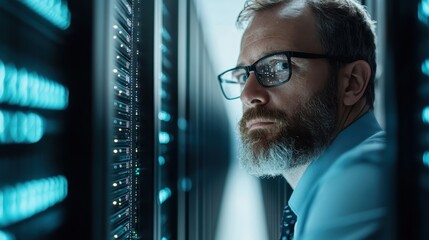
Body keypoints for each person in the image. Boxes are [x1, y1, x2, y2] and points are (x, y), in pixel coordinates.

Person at [217, 0, 393, 239]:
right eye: (242, 75)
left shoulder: (358, 184)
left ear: (352, 82)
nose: (249, 95)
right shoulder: (328, 190)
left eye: (278, 66)